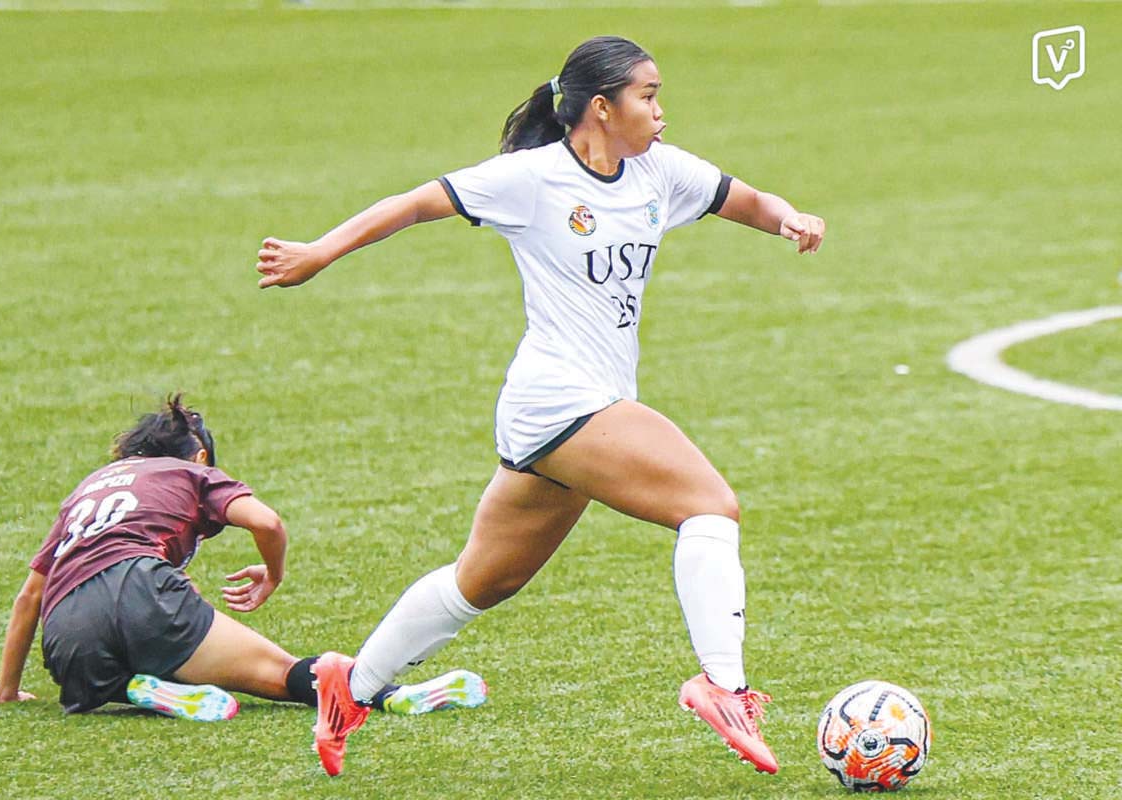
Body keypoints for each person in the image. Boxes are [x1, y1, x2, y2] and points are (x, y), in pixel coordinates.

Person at [255, 35, 825, 776]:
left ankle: (350, 684)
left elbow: (743, 199)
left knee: (481, 581)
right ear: (601, 107)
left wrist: (789, 219)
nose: (660, 109)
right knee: (709, 505)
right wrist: (317, 252)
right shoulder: (532, 179)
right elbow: (414, 204)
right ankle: (724, 687)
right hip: (561, 398)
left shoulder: (659, 171)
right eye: (647, 95)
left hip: (574, 410)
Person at [0, 395, 487, 722]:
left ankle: (137, 688)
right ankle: (391, 693)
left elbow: (30, 594)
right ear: (201, 455)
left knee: (106, 670)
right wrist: (272, 573)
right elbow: (267, 522)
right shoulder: (190, 474)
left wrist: (7, 690)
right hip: (145, 591)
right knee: (282, 674)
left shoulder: (86, 490)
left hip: (66, 635)